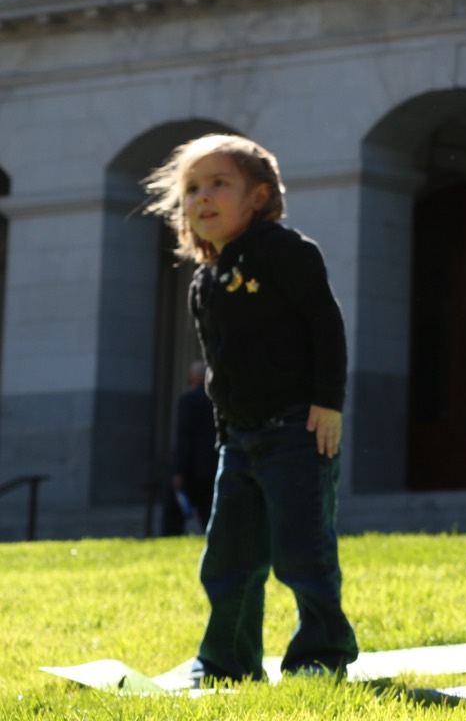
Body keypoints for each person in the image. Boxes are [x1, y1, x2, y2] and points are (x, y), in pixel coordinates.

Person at [143, 134, 358, 681]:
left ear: (258, 197)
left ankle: (320, 657)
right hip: (238, 441)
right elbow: (219, 366)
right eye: (192, 188)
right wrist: (222, 434)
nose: (202, 197)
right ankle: (226, 663)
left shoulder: (286, 252)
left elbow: (326, 328)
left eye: (219, 184)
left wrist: (328, 404)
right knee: (229, 559)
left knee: (301, 552)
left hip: (297, 429)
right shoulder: (205, 282)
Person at [165, 361, 218, 536]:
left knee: (174, 514)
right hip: (213, 466)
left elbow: (184, 437)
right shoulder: (217, 401)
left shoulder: (188, 401)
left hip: (192, 468)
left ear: (193, 379)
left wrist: (178, 471)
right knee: (209, 514)